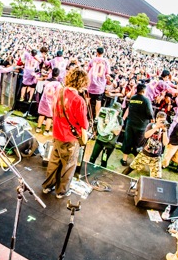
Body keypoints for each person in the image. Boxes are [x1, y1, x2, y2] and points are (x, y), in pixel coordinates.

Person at [42, 67, 89, 199]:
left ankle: (47, 186)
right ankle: (61, 191)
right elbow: (84, 124)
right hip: (70, 138)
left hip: (57, 134)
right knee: (68, 166)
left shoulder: (59, 91)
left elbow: (53, 110)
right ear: (82, 82)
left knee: (54, 162)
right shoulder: (79, 100)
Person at [123, 111, 169, 178]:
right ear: (156, 119)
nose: (162, 123)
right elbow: (146, 135)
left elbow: (165, 143)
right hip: (145, 153)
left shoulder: (164, 129)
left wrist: (165, 131)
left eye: (163, 121)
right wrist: (156, 128)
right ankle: (120, 177)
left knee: (157, 177)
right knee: (131, 167)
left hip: (156, 157)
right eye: (161, 121)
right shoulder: (151, 125)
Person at [119, 83, 154, 166]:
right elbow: (150, 113)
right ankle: (136, 162)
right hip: (141, 126)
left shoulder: (133, 98)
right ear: (144, 91)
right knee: (138, 144)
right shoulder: (146, 100)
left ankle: (124, 160)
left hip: (130, 123)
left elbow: (129, 109)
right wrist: (152, 119)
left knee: (128, 141)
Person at [89, 102, 122, 168]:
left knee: (104, 161)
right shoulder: (105, 115)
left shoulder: (119, 120)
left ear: (118, 112)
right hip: (100, 140)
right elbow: (99, 126)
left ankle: (101, 172)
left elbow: (117, 132)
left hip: (109, 144)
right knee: (92, 158)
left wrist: (109, 124)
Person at [36, 67, 62, 135]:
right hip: (51, 101)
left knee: (41, 114)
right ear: (58, 75)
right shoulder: (58, 84)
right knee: (49, 116)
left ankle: (38, 128)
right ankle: (46, 131)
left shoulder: (46, 81)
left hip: (43, 99)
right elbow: (57, 94)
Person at [87, 47, 110, 117]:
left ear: (97, 52)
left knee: (88, 99)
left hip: (91, 83)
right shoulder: (106, 61)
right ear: (103, 53)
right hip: (100, 85)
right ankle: (97, 116)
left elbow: (88, 69)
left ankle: (84, 113)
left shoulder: (92, 60)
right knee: (98, 101)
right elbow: (107, 73)